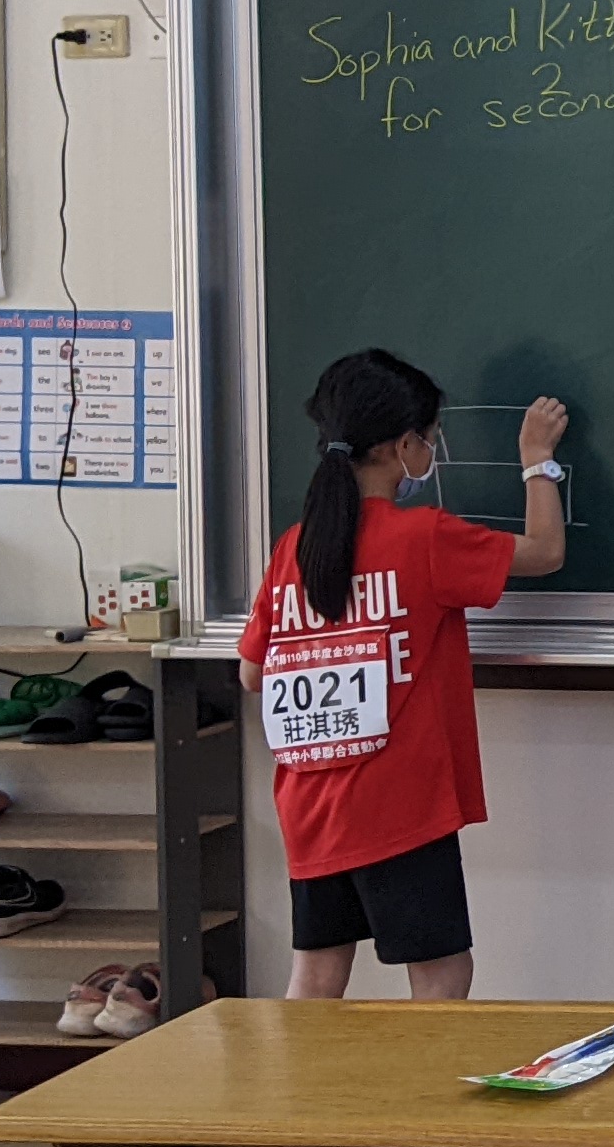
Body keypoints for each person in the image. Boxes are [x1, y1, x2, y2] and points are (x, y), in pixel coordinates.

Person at [236, 349, 570, 1000]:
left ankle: (299, 1102)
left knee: (319, 971)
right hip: (399, 801)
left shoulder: (294, 548)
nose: (433, 452)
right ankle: (422, 1103)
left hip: (310, 800)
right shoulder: (424, 538)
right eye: (431, 438)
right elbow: (546, 552)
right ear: (401, 447)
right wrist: (536, 458)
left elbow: (252, 672)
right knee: (441, 971)